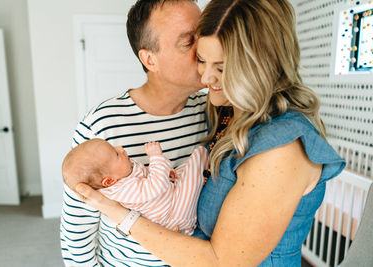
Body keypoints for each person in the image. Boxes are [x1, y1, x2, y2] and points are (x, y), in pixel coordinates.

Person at [74, 0, 346, 266]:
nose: (205, 78)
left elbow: (222, 260)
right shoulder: (221, 111)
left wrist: (115, 211)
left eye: (222, 68)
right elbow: (77, 231)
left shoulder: (280, 147)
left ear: (262, 65)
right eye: (202, 59)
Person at [60, 0, 207, 266]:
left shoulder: (212, 113)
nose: (205, 47)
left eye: (205, 34)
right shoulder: (100, 125)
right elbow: (76, 234)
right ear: (150, 59)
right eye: (189, 41)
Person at [62, 139, 208, 235]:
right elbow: (155, 187)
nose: (121, 148)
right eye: (116, 154)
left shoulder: (123, 173)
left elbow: (150, 177)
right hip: (174, 214)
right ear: (109, 181)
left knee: (183, 170)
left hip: (170, 195)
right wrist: (156, 156)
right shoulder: (121, 190)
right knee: (199, 154)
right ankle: (208, 165)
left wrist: (165, 173)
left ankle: (200, 175)